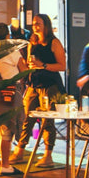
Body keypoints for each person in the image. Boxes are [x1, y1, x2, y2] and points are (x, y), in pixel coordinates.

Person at [13, 14, 66, 167]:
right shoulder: (32, 42)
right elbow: (30, 63)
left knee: (47, 120)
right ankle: (20, 149)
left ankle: (48, 155)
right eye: (34, 23)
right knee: (27, 116)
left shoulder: (54, 42)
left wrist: (42, 65)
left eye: (38, 23)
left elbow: (62, 66)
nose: (35, 26)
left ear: (46, 25)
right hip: (34, 84)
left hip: (50, 85)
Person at [0, 22, 27, 175]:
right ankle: (6, 165)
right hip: (9, 90)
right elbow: (24, 70)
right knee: (7, 128)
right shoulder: (12, 52)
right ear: (8, 35)